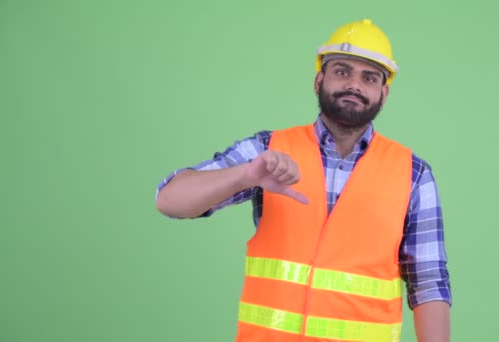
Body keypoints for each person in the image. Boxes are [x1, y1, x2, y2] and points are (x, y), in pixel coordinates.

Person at [155, 18, 451, 342]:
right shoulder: (268, 151)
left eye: (369, 77)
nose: (354, 84)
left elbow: (428, 282)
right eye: (342, 71)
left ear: (384, 93)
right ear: (318, 80)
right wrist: (244, 175)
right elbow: (170, 201)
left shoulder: (413, 174)